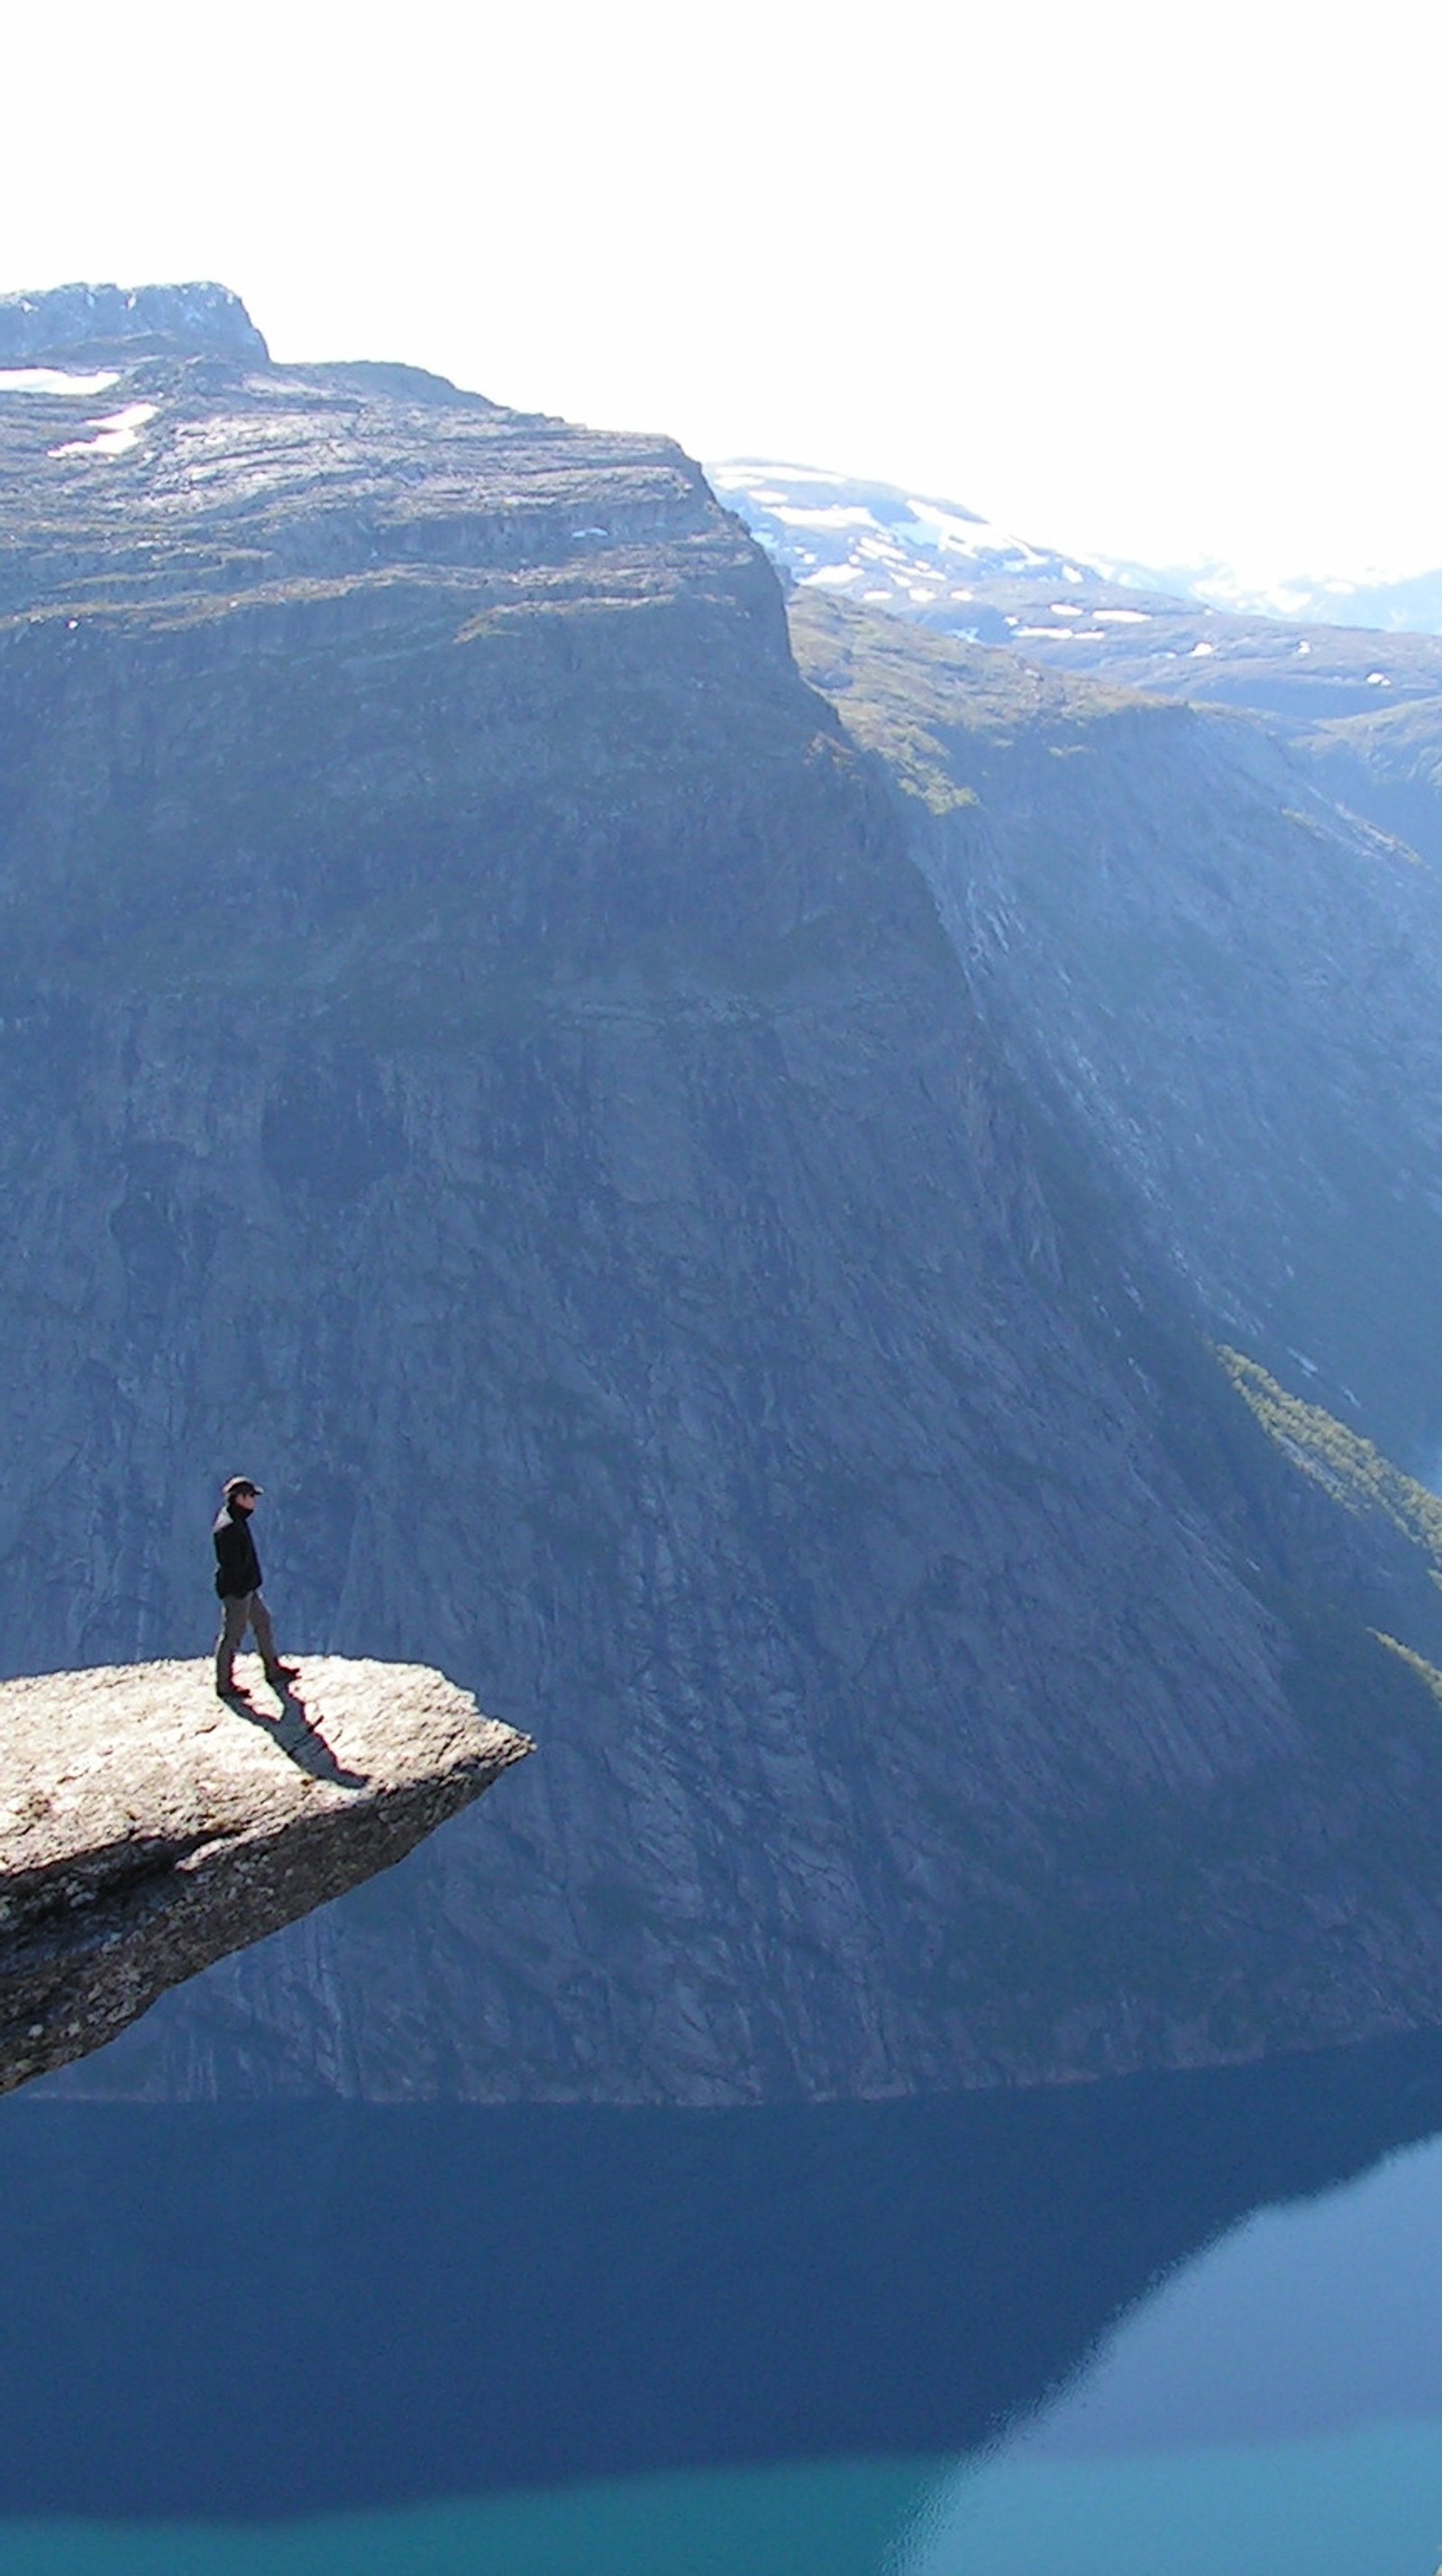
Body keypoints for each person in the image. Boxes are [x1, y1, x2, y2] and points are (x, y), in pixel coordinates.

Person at [213, 1476, 298, 1698]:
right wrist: (242, 1589)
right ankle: (224, 1684)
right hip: (238, 1592)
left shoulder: (235, 1519)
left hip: (246, 1589)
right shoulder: (229, 1527)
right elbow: (232, 1566)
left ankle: (273, 1669)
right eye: (251, 1496)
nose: (254, 1501)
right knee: (233, 1635)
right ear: (239, 1498)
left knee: (263, 1622)